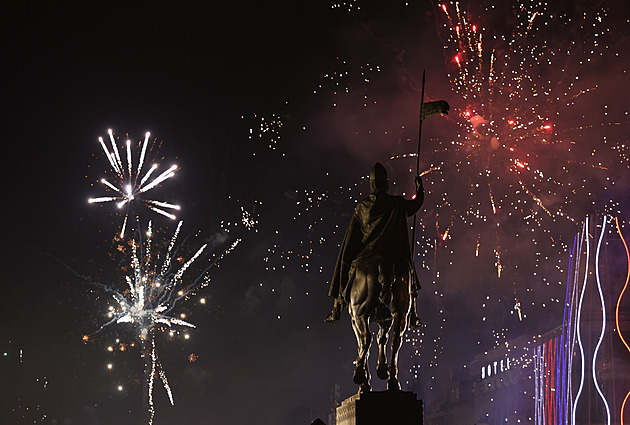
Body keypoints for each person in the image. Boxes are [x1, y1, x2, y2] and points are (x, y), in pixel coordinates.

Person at [325, 162, 424, 327]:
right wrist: (419, 189)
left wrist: (347, 256)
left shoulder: (362, 206)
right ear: (386, 183)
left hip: (368, 253)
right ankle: (412, 312)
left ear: (371, 184)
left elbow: (352, 238)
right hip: (393, 253)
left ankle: (337, 305)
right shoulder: (397, 203)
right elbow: (415, 206)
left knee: (345, 258)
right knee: (408, 273)